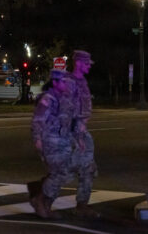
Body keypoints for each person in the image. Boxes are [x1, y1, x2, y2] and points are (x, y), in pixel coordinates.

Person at [29, 69, 75, 219]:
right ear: (55, 83)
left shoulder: (64, 99)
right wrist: (37, 140)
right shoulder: (47, 99)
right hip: (50, 142)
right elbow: (37, 121)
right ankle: (39, 200)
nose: (66, 85)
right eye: (63, 82)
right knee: (59, 173)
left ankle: (45, 203)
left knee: (61, 173)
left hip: (63, 141)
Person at [68, 50, 100, 218]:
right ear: (78, 63)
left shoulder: (82, 81)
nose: (89, 66)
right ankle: (42, 197)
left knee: (88, 168)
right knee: (64, 170)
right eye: (86, 63)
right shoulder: (69, 82)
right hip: (71, 132)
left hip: (81, 130)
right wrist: (76, 134)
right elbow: (65, 110)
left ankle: (82, 205)